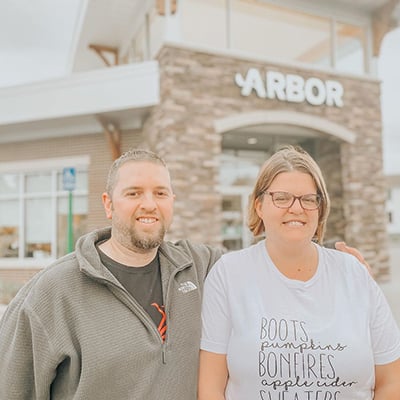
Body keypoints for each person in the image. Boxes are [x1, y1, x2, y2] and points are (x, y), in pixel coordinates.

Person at [0, 148, 373, 400]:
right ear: (109, 203)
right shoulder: (53, 292)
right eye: (134, 193)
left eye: (160, 193)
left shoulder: (200, 265)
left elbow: (270, 259)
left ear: (172, 202)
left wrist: (332, 260)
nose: (149, 204)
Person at [198, 146, 400, 400]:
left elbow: (392, 381)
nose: (296, 208)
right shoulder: (228, 275)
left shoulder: (354, 275)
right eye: (281, 197)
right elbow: (210, 389)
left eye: (308, 199)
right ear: (259, 206)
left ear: (320, 207)